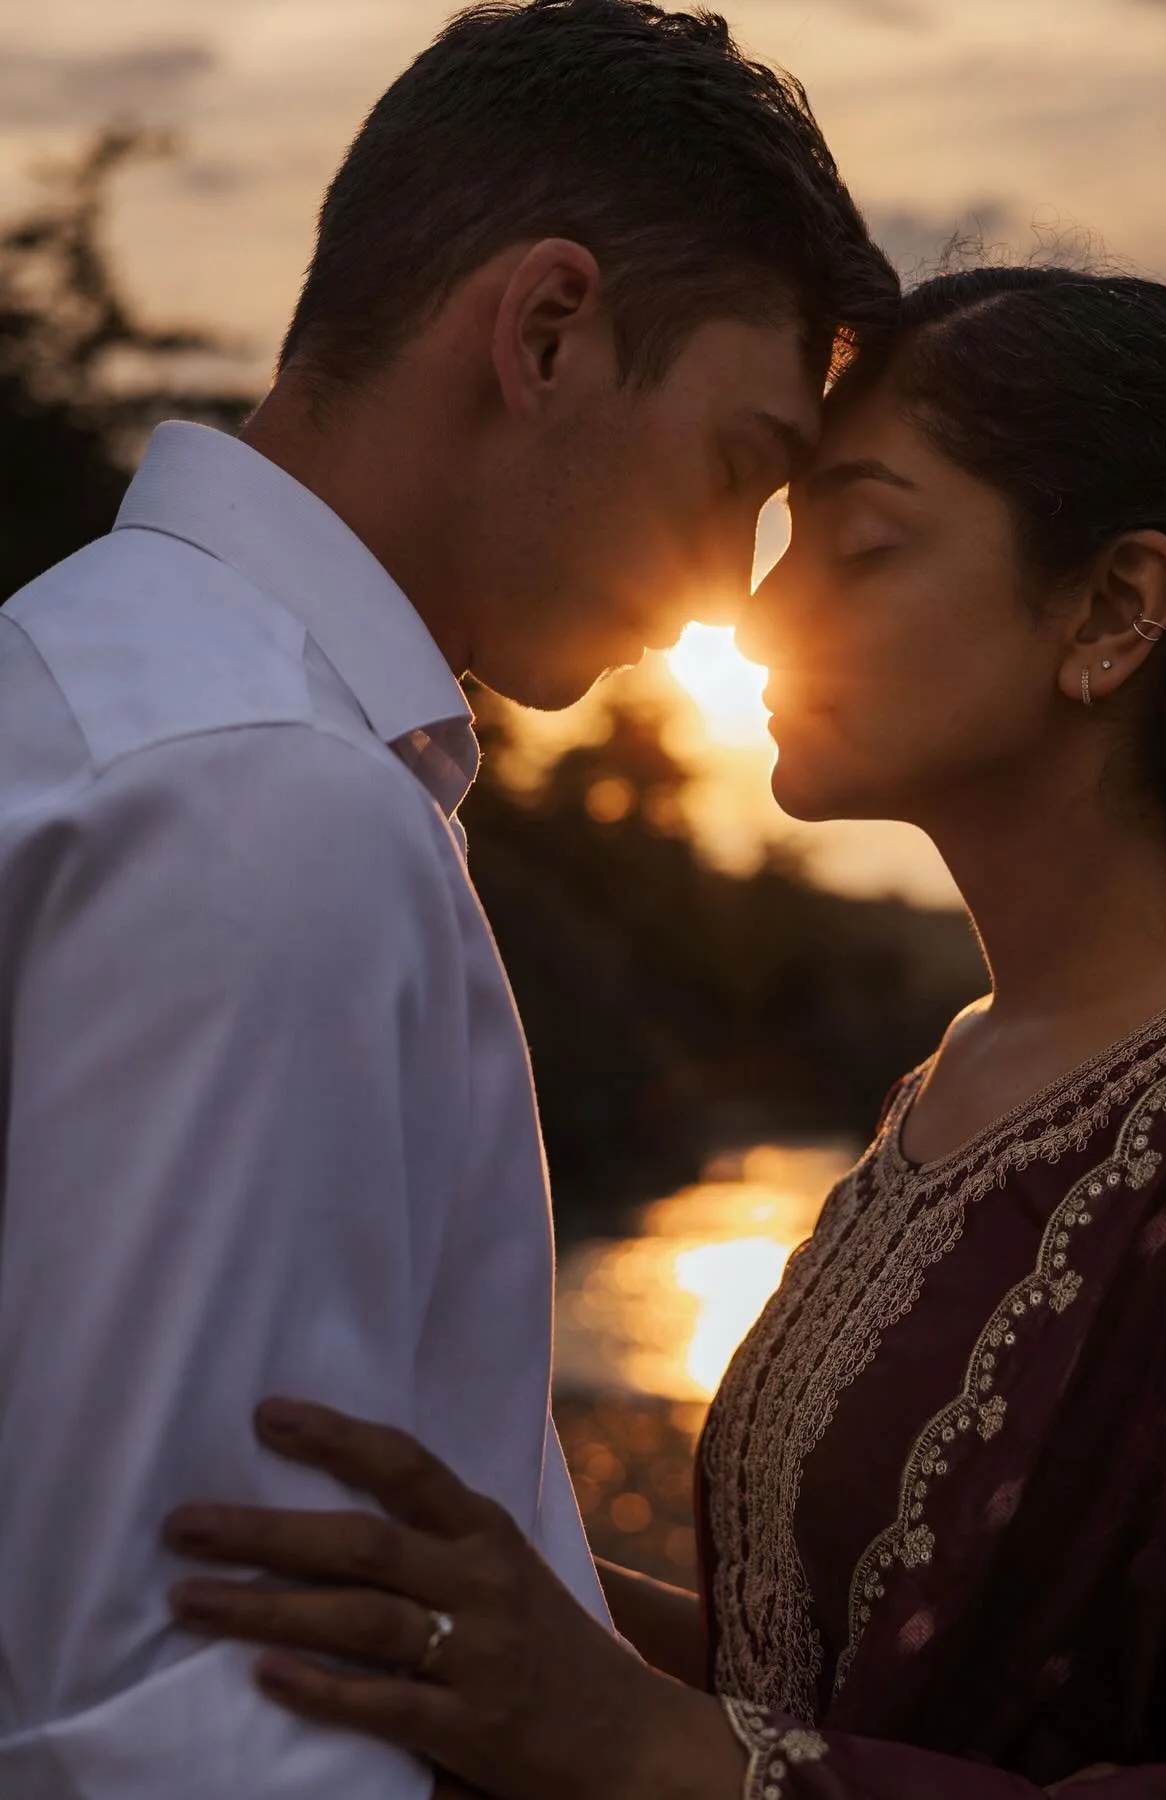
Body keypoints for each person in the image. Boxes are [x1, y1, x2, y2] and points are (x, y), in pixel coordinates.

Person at [165, 266, 1166, 1800]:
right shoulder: (964, 1069)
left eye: (865, 542)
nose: (759, 612)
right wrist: (525, 1623)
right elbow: (860, 1674)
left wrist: (646, 1745)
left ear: (1114, 606)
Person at [0, 3, 896, 1795]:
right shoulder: (265, 800)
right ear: (549, 330)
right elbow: (190, 1716)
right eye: (741, 471)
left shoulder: (107, 682)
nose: (732, 588)